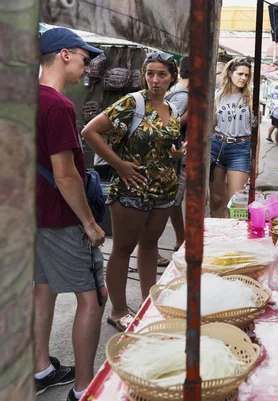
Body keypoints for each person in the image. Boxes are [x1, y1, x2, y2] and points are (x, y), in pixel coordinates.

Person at [82, 51, 183, 332]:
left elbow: (165, 146)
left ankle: (149, 303)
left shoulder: (172, 109)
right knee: (123, 249)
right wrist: (120, 165)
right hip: (131, 189)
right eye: (150, 73)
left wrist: (175, 154)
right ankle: (118, 310)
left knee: (150, 247)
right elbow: (90, 132)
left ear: (172, 77)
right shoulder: (133, 102)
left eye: (162, 74)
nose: (155, 80)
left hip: (163, 190)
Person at [35, 27, 106, 401]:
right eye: (84, 58)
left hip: (30, 216)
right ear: (64, 54)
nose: (87, 67)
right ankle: (84, 390)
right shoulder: (58, 105)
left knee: (42, 289)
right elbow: (65, 174)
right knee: (92, 299)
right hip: (62, 218)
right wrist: (90, 223)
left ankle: (40, 368)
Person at [210, 57, 257, 217]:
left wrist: (254, 162)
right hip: (217, 146)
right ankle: (218, 236)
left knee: (237, 202)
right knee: (216, 199)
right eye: (240, 74)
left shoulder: (251, 99)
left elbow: (255, 132)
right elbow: (212, 124)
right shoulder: (218, 96)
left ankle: (235, 238)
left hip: (240, 149)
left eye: (246, 75)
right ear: (230, 73)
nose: (243, 78)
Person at [165, 56, 190, 252]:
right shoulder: (183, 96)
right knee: (172, 201)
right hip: (178, 156)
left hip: (178, 155)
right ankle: (181, 239)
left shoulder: (178, 92)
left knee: (174, 201)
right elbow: (171, 125)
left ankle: (181, 239)